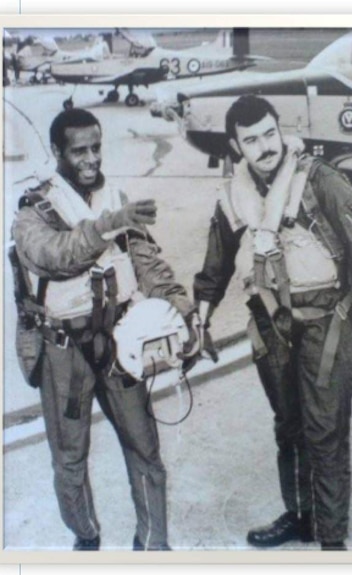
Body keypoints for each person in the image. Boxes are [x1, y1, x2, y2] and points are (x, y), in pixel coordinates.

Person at [193, 95, 352, 551]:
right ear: (235, 145)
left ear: (280, 129)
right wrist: (201, 323)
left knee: (326, 434)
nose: (264, 146)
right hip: (271, 326)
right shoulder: (234, 195)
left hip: (327, 322)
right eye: (251, 140)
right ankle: (300, 517)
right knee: (289, 427)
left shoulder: (322, 181)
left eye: (269, 133)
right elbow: (215, 266)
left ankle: (332, 542)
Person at [10, 108, 200, 551]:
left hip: (118, 343)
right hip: (65, 352)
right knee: (70, 462)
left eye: (97, 147)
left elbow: (148, 264)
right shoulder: (32, 212)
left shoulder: (114, 197)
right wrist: (111, 223)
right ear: (57, 152)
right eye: (80, 151)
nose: (92, 158)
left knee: (146, 451)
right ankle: (87, 536)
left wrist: (182, 312)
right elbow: (59, 256)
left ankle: (153, 548)